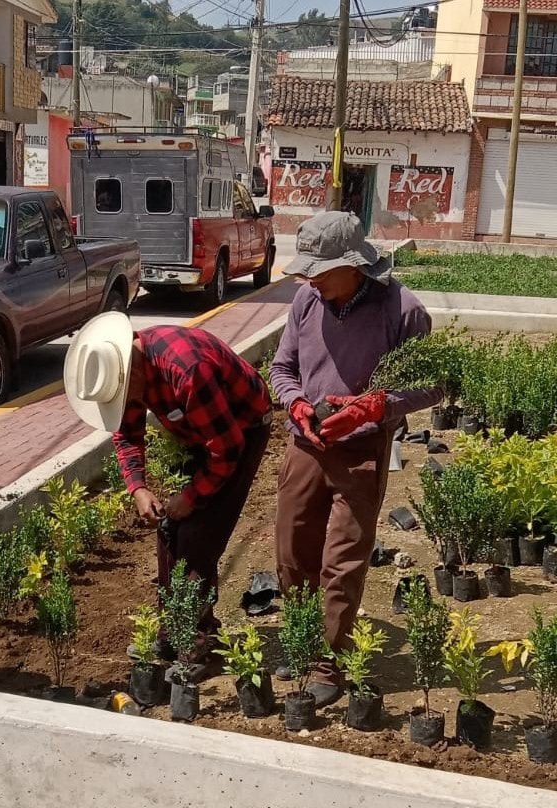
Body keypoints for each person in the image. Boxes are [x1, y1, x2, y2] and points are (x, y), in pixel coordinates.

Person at [270, 211, 442, 707]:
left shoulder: (403, 310)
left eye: (319, 272)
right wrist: (297, 404)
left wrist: (373, 406)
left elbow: (433, 383)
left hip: (362, 450)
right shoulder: (306, 300)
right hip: (306, 443)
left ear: (354, 265)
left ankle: (329, 661)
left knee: (342, 559)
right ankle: (303, 643)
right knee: (292, 551)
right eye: (306, 272)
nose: (310, 280)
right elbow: (283, 368)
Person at [63, 313, 272, 649]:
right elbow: (127, 433)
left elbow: (227, 448)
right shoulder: (127, 371)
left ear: (133, 368)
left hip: (241, 431)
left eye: (124, 395)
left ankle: (196, 642)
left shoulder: (188, 371)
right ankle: (172, 629)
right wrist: (138, 487)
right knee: (169, 528)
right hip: (203, 434)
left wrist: (192, 496)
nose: (128, 404)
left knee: (198, 536)